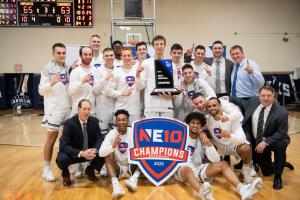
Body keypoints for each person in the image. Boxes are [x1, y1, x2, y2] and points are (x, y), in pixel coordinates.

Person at [175, 112, 263, 200]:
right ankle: (203, 194)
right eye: (193, 123)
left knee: (223, 164)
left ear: (201, 126)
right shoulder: (179, 136)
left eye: (198, 123)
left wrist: (209, 145)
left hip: (198, 170)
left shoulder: (202, 138)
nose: (195, 125)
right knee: (187, 169)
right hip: (182, 171)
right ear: (187, 124)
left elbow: (216, 160)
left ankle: (242, 189)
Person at [230, 85, 291, 190]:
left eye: (269, 96)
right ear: (259, 96)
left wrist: (266, 142)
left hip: (275, 139)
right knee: (266, 172)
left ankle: (278, 176)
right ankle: (279, 164)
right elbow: (241, 102)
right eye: (263, 95)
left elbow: (281, 132)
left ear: (274, 96)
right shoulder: (253, 102)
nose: (266, 98)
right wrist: (227, 98)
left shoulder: (281, 112)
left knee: (280, 147)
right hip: (258, 140)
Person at [38, 42, 71, 182]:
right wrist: (51, 82)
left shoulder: (68, 68)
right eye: (59, 53)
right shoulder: (47, 69)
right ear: (53, 54)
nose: (62, 55)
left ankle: (67, 168)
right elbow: (41, 91)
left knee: (67, 140)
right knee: (51, 140)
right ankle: (46, 170)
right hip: (54, 110)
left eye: (63, 53)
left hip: (68, 109)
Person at [56, 99, 105, 186]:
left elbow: (99, 138)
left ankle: (90, 170)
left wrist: (95, 150)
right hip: (76, 153)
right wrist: (81, 153)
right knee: (61, 158)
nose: (86, 112)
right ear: (78, 109)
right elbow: (63, 146)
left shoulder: (94, 121)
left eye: (89, 109)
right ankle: (65, 174)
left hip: (90, 152)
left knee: (105, 152)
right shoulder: (69, 123)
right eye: (84, 109)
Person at [206, 97, 254, 183]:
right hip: (219, 148)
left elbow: (243, 140)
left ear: (220, 106)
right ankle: (208, 171)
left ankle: (246, 170)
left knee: (246, 148)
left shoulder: (231, 118)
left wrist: (230, 136)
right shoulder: (207, 119)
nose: (211, 108)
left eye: (214, 105)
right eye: (209, 106)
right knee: (204, 141)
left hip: (233, 146)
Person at [136, 35, 181, 118]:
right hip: (151, 106)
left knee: (167, 130)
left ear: (165, 45)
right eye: (157, 44)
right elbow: (140, 86)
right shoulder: (146, 63)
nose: (159, 46)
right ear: (153, 46)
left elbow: (176, 86)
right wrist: (137, 75)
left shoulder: (172, 65)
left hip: (167, 106)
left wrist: (172, 95)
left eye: (161, 44)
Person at [99, 109, 141, 197]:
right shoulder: (111, 134)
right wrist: (113, 146)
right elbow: (101, 153)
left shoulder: (134, 132)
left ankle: (134, 179)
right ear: (116, 121)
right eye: (119, 120)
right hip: (117, 168)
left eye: (123, 119)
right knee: (107, 154)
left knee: (144, 149)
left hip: (131, 167)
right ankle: (116, 185)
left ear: (128, 120)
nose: (121, 122)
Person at [105, 47, 142, 124]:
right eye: (124, 56)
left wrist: (138, 76)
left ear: (132, 57)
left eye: (128, 55)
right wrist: (121, 93)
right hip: (120, 110)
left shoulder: (137, 70)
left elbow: (141, 87)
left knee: (133, 135)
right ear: (121, 57)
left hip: (134, 112)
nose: (127, 58)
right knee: (119, 135)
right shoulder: (116, 72)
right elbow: (108, 91)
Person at [93, 47, 116, 135]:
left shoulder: (118, 70)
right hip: (102, 110)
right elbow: (95, 91)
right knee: (102, 137)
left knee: (114, 137)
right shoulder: (98, 71)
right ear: (103, 57)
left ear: (114, 56)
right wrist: (104, 79)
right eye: (107, 55)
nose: (109, 57)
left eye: (111, 55)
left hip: (115, 108)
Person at [68, 46, 96, 117]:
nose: (88, 56)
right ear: (80, 55)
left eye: (90, 54)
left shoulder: (96, 70)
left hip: (91, 111)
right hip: (78, 112)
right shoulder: (75, 72)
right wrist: (82, 82)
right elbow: (70, 92)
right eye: (85, 54)